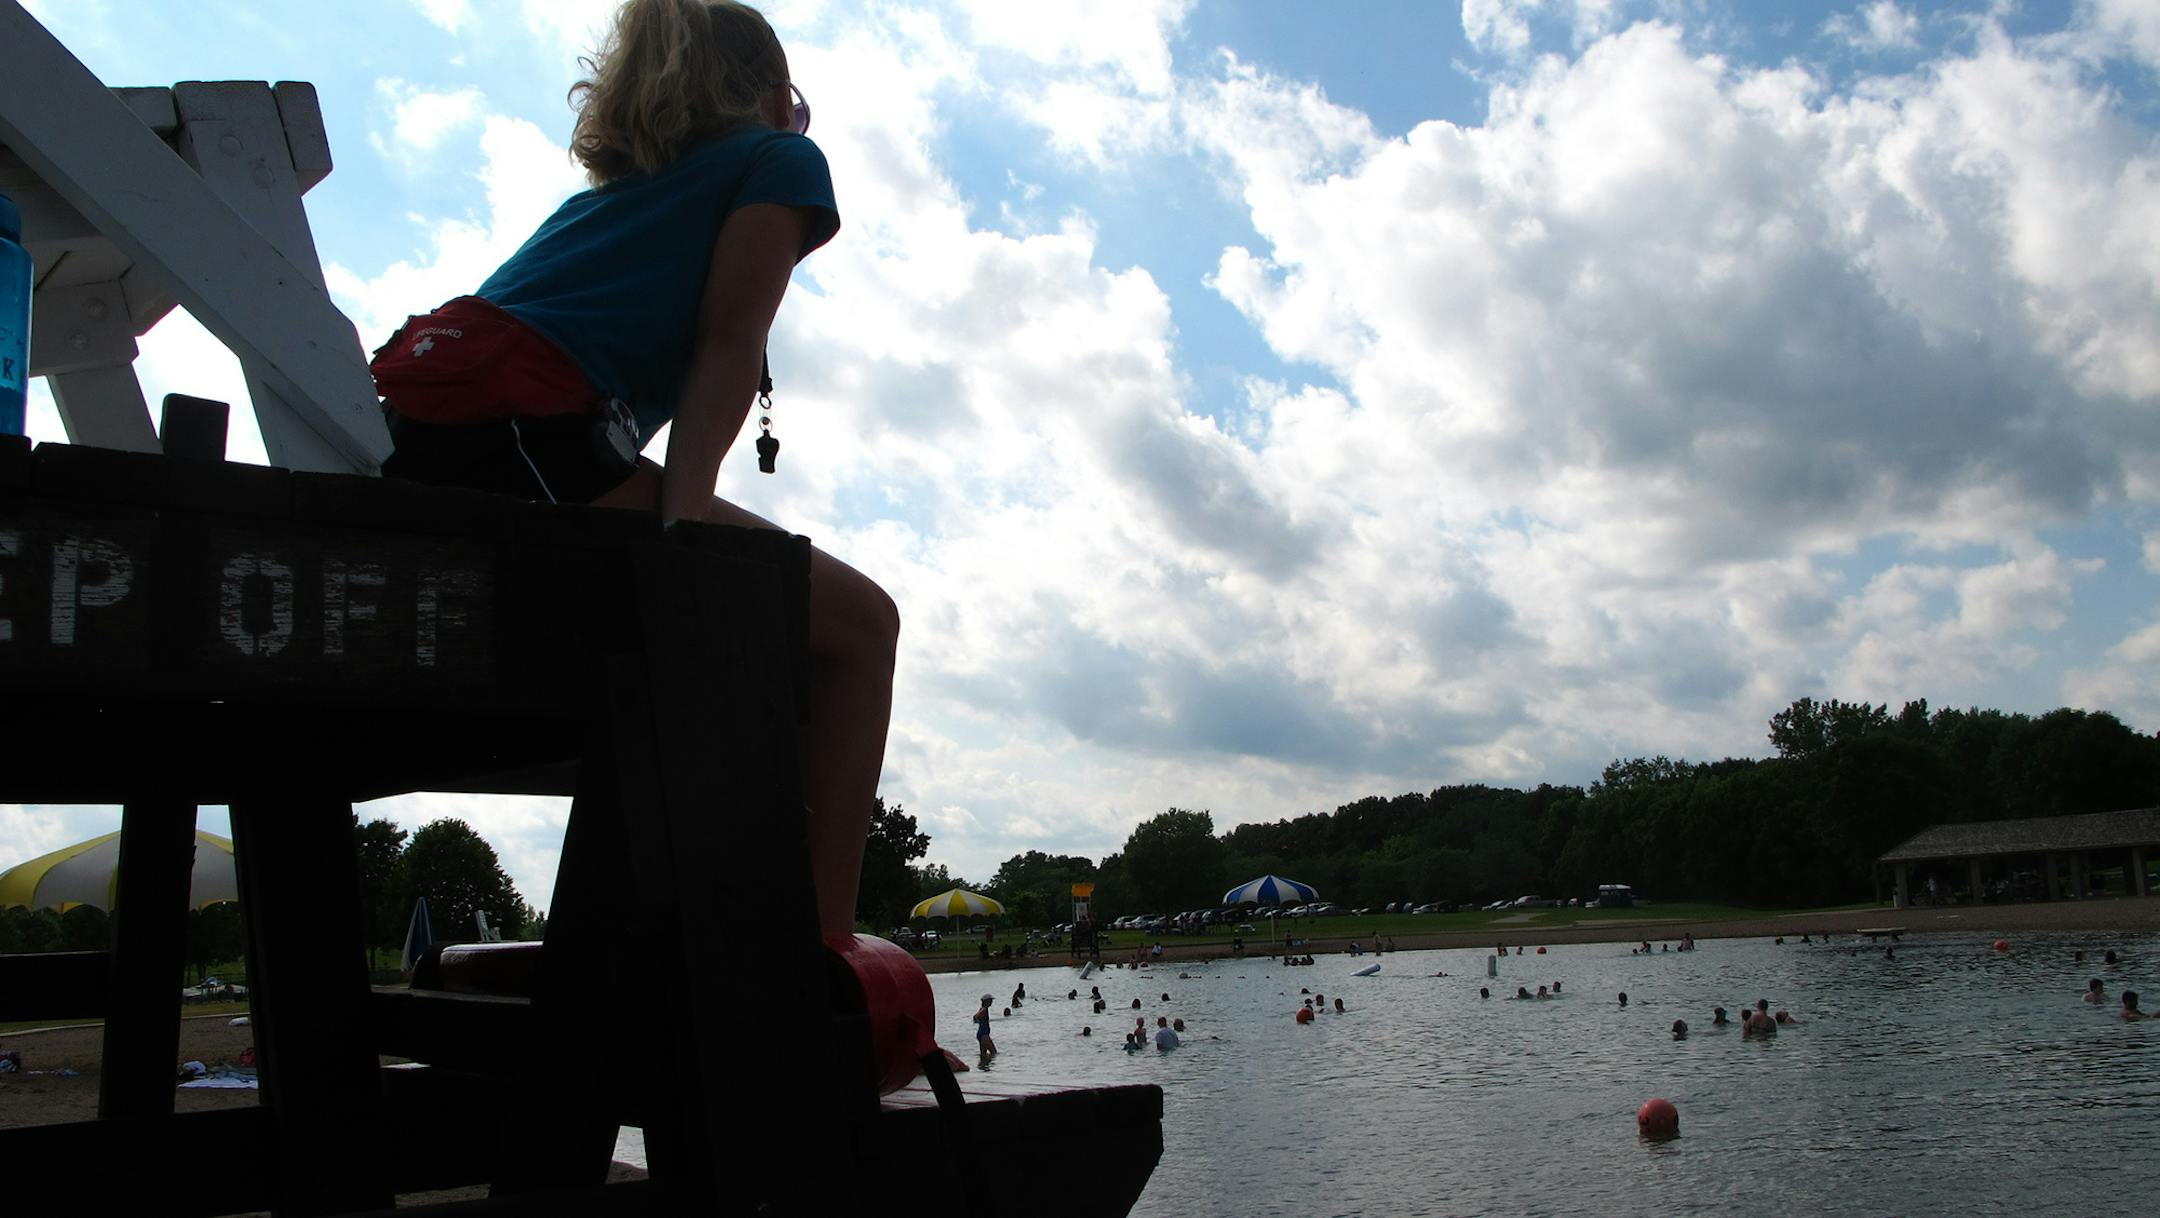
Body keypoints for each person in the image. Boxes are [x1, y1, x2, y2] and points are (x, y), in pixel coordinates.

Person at [368, 0, 894, 940]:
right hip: (532, 441)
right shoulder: (781, 161)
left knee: (744, 617)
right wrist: (684, 541)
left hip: (444, 454)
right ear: (775, 97)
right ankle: (821, 949)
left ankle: (705, 923)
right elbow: (729, 348)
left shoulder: (602, 204)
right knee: (860, 628)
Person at [974, 995, 997, 1061]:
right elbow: (975, 1016)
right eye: (990, 1000)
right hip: (984, 1034)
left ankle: (983, 1067)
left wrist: (979, 1021)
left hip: (981, 1034)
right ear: (986, 1001)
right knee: (994, 1053)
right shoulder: (984, 1009)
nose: (991, 1002)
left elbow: (976, 1017)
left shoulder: (981, 1008)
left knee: (983, 1055)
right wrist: (978, 1019)